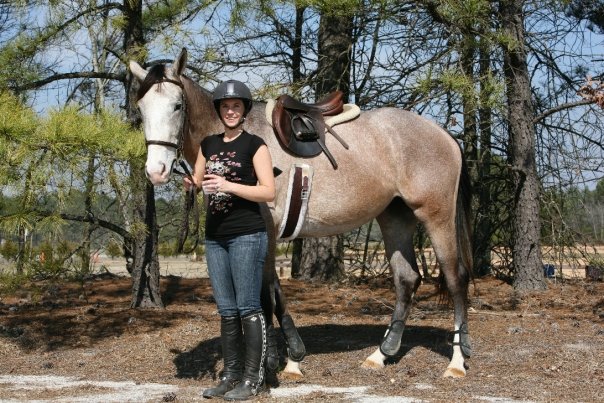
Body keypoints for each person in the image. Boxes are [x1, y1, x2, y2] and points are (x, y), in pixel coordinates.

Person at [184, 80, 275, 401]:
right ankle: (231, 375)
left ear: (245, 110)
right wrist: (191, 184)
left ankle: (255, 379)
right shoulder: (207, 145)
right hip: (215, 237)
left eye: (237, 106)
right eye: (225, 106)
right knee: (226, 310)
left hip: (248, 234)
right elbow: (197, 180)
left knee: (249, 307)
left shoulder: (255, 145)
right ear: (219, 110)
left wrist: (228, 185)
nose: (231, 111)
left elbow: (268, 191)